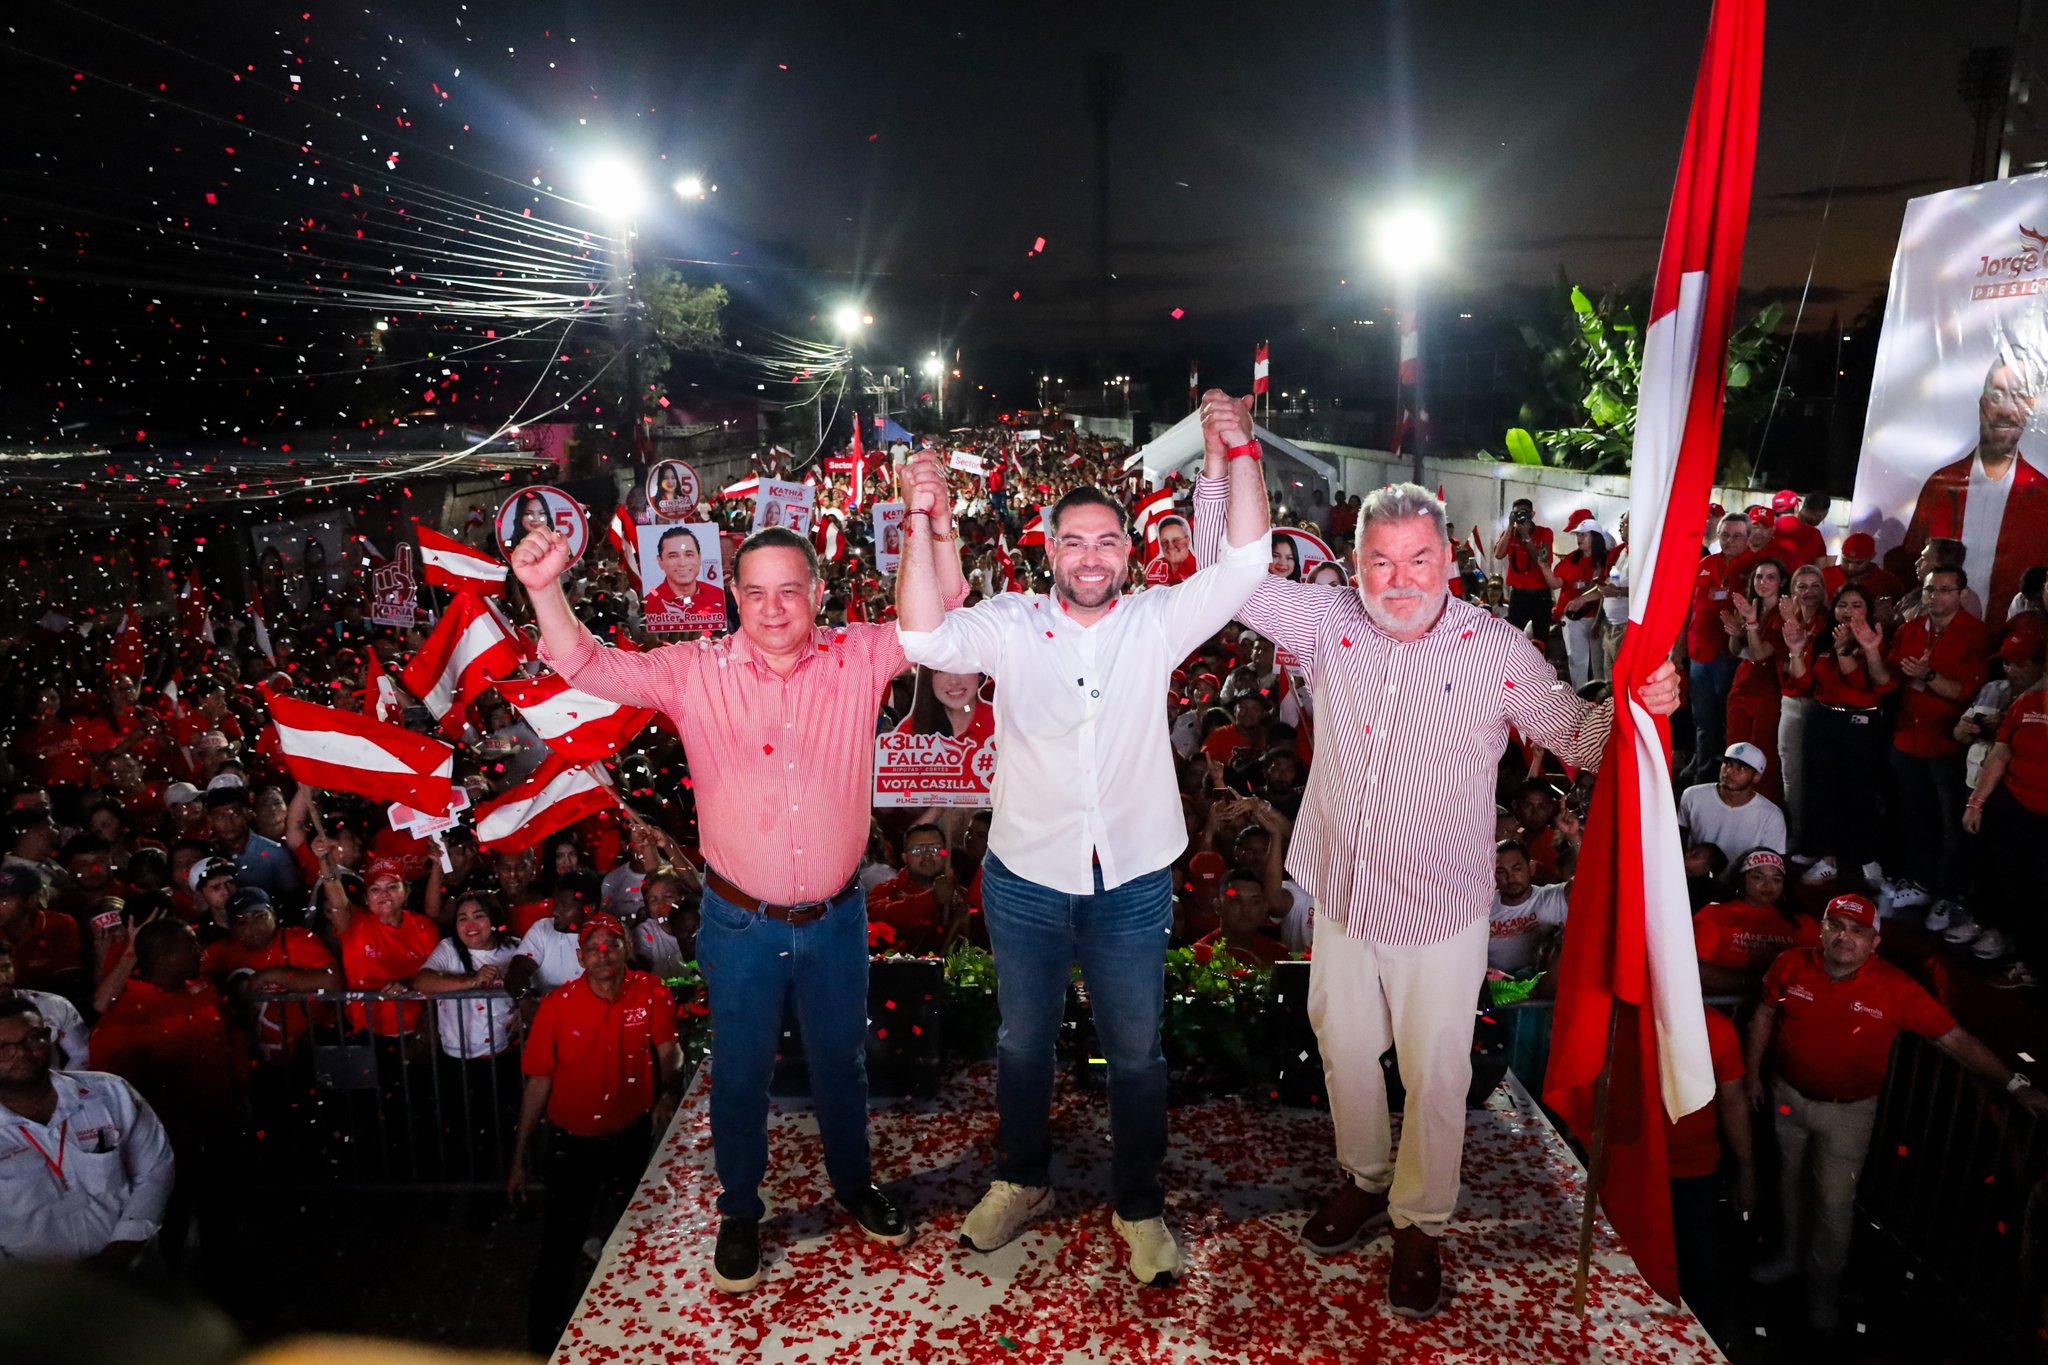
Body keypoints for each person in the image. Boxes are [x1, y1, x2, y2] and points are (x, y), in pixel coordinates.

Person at [1188, 455, 1680, 1316]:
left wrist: (1645, 702)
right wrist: (1220, 465)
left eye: (1418, 559)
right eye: (1380, 561)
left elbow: (1583, 739)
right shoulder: (1327, 619)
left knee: (1436, 1073)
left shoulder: (1496, 647)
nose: (1400, 579)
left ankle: (1419, 1220)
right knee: (1343, 1047)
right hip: (1343, 895)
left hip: (1440, 908)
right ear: (1354, 564)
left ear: (1449, 558)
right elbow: (1221, 575)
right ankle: (1364, 1175)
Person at [514, 516, 960, 1297]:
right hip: (739, 923)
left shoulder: (860, 654)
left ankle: (854, 1184)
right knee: (742, 1072)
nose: (773, 608)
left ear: (818, 591)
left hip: (836, 920)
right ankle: (741, 1209)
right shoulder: (694, 669)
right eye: (756, 592)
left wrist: (930, 525)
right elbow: (586, 663)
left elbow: (937, 615)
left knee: (843, 1062)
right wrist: (545, 588)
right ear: (733, 596)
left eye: (790, 590)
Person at [896, 388, 1271, 1287]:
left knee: (1136, 1052)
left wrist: (1241, 451)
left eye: (1107, 541)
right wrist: (919, 515)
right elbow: (921, 631)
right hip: (1026, 876)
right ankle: (1021, 1177)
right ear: (1049, 549)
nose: (1092, 557)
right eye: (1074, 541)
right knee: (1023, 1043)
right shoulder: (1011, 623)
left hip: (1133, 880)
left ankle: (1137, 1201)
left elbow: (1248, 561)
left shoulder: (1155, 620)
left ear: (1128, 554)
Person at [1745, 892, 2048, 1334]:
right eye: (1837, 926)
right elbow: (1763, 1015)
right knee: (1790, 1181)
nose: (1845, 937)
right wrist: (1754, 1075)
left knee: (1833, 1204)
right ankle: (1790, 1257)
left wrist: (2014, 1084)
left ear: (1874, 943)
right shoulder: (1790, 963)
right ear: (1823, 930)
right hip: (1787, 1095)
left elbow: (1954, 1039)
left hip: (1848, 1112)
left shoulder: (1896, 987)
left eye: (1857, 931)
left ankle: (1823, 1290)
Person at [510, 914, 682, 1350]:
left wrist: (667, 1092)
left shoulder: (651, 990)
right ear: (580, 957)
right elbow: (538, 1082)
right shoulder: (557, 1006)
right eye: (593, 947)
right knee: (560, 1247)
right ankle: (542, 1345)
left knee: (635, 1238)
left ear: (627, 948)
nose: (603, 954)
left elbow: (669, 1049)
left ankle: (635, 1338)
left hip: (630, 1137)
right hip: (572, 1145)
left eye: (612, 944)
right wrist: (519, 1157)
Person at [0, 995, 175, 1265]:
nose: (22, 1053)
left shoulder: (111, 1093)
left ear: (48, 1036)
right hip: (32, 1286)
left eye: (32, 1038)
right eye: (3, 1047)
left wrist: (117, 1256)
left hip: (131, 1270)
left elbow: (155, 1171)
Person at [1887, 355, 2048, 631]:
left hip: (2013, 640)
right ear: (1982, 404)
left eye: (2019, 398)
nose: (2006, 410)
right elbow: (1909, 561)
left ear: (2030, 408)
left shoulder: (2042, 496)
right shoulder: (1940, 485)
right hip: (1935, 639)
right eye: (1997, 396)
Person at [1876, 565, 1989, 919]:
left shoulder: (1976, 635)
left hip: (1947, 745)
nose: (1934, 597)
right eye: (1929, 590)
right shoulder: (1910, 629)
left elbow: (1965, 692)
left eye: (1944, 590)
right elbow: (1890, 678)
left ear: (1961, 594)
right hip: (1906, 739)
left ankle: (1950, 894)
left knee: (1951, 826)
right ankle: (1921, 883)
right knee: (1914, 818)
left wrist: (1927, 676)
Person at [1962, 636, 2048, 984]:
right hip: (2015, 807)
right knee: (2016, 886)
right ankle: (2028, 961)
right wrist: (1976, 802)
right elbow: (2001, 752)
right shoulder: (2028, 702)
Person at [1682, 511, 1760, 782]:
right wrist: (1678, 650)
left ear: (1749, 537)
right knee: (1703, 719)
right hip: (1699, 653)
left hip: (1733, 655)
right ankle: (1702, 775)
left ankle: (1729, 778)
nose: (1730, 541)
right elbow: (1688, 610)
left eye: (1737, 536)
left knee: (1732, 722)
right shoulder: (1705, 563)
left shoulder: (1757, 569)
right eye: (1725, 535)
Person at [1693, 848, 1815, 993]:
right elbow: (1696, 969)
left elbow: (1819, 967)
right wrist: (1753, 981)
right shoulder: (1714, 914)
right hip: (1720, 1001)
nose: (1768, 885)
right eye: (1758, 877)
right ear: (1742, 879)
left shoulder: (1800, 921)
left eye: (1776, 879)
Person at [1721, 558, 1789, 802]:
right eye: (1759, 576)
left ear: (1782, 582)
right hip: (1743, 683)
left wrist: (1750, 625)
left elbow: (1760, 653)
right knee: (1735, 746)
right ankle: (1733, 799)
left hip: (1768, 688)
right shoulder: (1751, 606)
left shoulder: (1785, 613)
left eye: (1771, 577)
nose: (1763, 582)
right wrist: (1735, 632)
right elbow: (1736, 650)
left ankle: (1762, 805)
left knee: (1762, 749)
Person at [866, 824, 970, 955]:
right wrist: (931, 897)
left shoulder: (961, 895)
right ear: (904, 857)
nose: (927, 856)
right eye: (917, 851)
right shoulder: (885, 891)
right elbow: (880, 917)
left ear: (946, 854)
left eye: (935, 849)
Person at [1675, 741, 1785, 865]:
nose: (1729, 771)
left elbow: (1771, 864)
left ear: (1756, 777)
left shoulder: (1771, 816)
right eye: (1727, 763)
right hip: (1697, 873)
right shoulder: (1693, 795)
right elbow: (1677, 838)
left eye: (1742, 768)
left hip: (1741, 877)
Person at [506, 868, 600, 998]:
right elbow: (517, 972)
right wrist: (524, 998)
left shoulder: (608, 934)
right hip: (547, 1010)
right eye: (555, 904)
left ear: (588, 909)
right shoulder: (542, 928)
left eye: (564, 906)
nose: (555, 911)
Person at [0, 937, 87, 1068]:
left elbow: (82, 1053)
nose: (2, 978)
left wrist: (60, 1080)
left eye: (6, 968)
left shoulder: (53, 1005)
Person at [1487, 840, 1569, 976]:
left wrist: (1574, 838)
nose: (1510, 878)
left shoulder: (1554, 897)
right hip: (1496, 986)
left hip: (1547, 985)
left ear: (1531, 868)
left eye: (1517, 869)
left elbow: (1591, 879)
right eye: (1501, 872)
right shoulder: (1483, 906)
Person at [204, 788, 296, 901]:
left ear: (247, 814)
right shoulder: (205, 853)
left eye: (235, 815)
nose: (229, 823)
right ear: (210, 820)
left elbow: (291, 897)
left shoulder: (274, 854)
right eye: (221, 817)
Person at [1492, 498, 1555, 649]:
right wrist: (1510, 527)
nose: (1521, 516)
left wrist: (1526, 537)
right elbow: (1498, 554)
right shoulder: (1510, 534)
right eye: (1517, 513)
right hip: (1519, 595)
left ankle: (1540, 662)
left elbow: (1543, 561)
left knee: (1541, 639)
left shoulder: (1545, 533)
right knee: (1512, 637)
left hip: (1540, 595)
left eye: (1524, 513)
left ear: (1532, 514)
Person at [642, 527, 726, 630]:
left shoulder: (718, 595)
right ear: (660, 561)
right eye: (673, 556)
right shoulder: (650, 603)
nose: (682, 563)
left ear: (699, 558)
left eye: (689, 555)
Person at [1143, 514, 1197, 586]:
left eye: (1176, 540)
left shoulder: (1200, 566)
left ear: (1187, 540)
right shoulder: (1156, 566)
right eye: (1165, 542)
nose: (1170, 546)